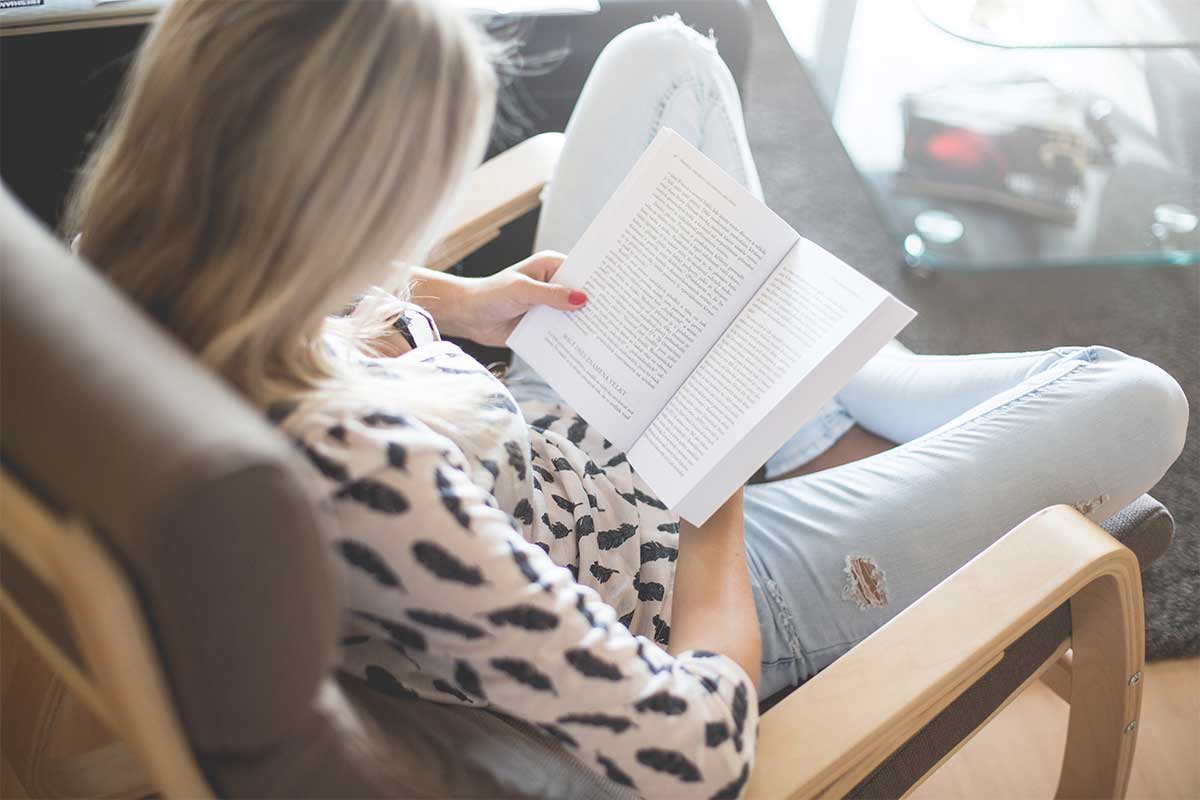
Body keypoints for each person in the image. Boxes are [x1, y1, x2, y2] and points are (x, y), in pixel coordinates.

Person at [66, 1, 1188, 796]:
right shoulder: (376, 484)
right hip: (694, 574)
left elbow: (313, 285)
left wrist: (460, 301)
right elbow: (695, 748)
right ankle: (816, 373)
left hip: (546, 431)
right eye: (408, 198)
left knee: (667, 54)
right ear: (335, 209)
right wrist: (719, 490)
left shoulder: (118, 272)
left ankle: (812, 370)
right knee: (1130, 395)